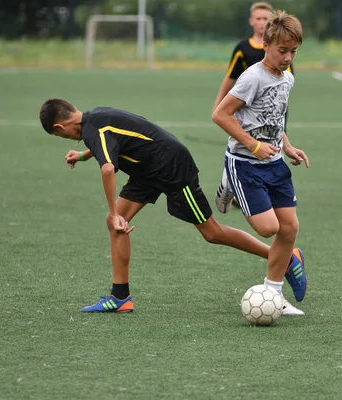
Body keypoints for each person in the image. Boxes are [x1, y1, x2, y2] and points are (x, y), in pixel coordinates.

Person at [38, 99, 306, 314]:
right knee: (116, 223)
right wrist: (85, 155)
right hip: (147, 170)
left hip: (171, 167)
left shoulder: (92, 130)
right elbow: (117, 142)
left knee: (212, 233)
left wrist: (112, 210)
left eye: (59, 137)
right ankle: (120, 297)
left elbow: (108, 168)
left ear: (59, 128)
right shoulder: (95, 118)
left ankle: (285, 258)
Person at [212, 10, 308, 315]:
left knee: (290, 227)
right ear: (266, 45)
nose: (288, 57)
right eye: (282, 51)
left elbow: (274, 119)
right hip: (244, 162)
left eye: (293, 51)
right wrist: (253, 145)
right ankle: (229, 182)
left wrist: (288, 146)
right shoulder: (252, 77)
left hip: (274, 161)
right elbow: (220, 114)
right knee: (268, 228)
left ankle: (274, 294)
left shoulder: (288, 78)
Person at [213, 1, 294, 214]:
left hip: (272, 119)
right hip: (245, 116)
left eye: (265, 18)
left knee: (270, 157)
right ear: (252, 22)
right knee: (250, 152)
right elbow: (230, 78)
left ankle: (251, 191)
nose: (288, 56)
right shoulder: (244, 51)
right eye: (258, 18)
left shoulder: (286, 67)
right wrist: (220, 102)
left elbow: (282, 92)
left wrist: (287, 143)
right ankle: (236, 183)